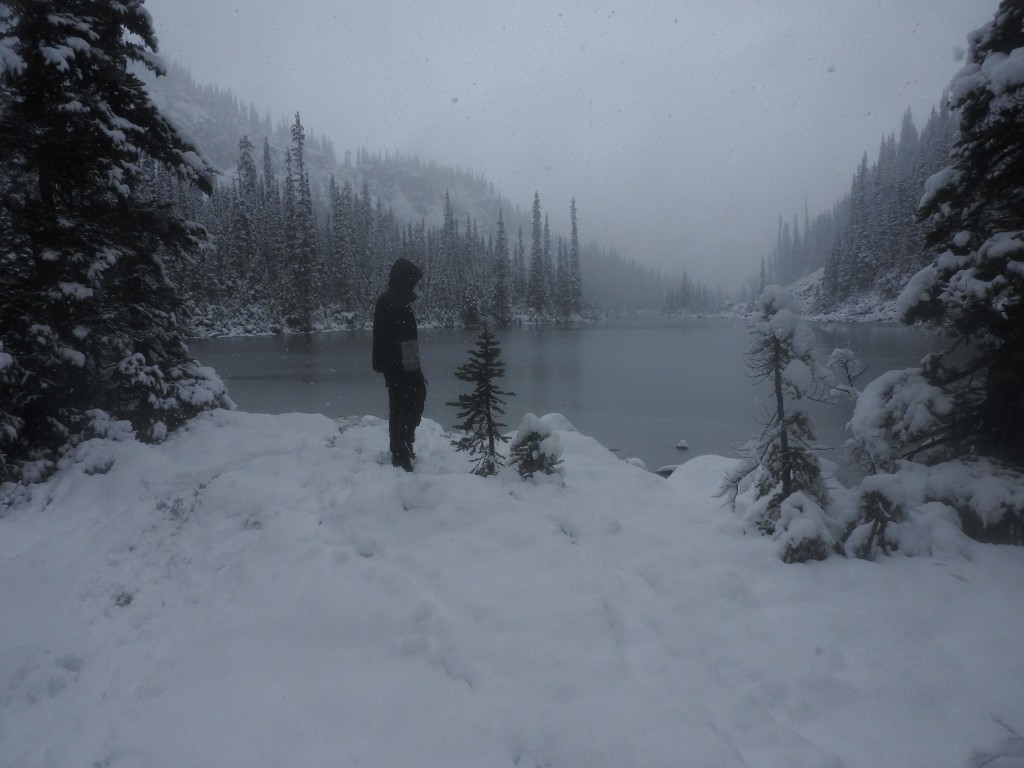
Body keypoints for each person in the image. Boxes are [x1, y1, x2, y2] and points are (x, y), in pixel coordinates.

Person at [372, 258, 427, 471]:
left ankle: (400, 447)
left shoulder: (385, 300)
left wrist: (385, 363)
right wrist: (413, 371)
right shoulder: (399, 306)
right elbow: (408, 342)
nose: (414, 286)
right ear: (405, 281)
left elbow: (384, 337)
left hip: (390, 364)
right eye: (412, 282)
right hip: (402, 366)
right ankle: (401, 450)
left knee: (398, 405)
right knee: (409, 402)